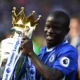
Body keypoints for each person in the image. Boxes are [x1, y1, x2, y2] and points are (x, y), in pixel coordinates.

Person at [12, 10, 78, 80]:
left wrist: (30, 53)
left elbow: (53, 76)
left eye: (56, 28)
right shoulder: (42, 51)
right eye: (47, 26)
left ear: (66, 31)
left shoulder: (69, 51)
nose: (50, 31)